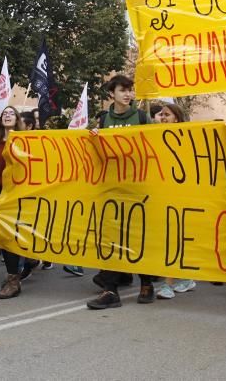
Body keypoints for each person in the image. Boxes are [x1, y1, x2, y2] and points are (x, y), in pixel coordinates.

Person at [85, 74, 155, 309]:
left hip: (137, 187)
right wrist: (95, 141)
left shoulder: (142, 117)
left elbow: (153, 150)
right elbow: (99, 155)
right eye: (123, 90)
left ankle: (146, 283)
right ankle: (110, 289)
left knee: (139, 236)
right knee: (111, 237)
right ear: (111, 93)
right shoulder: (104, 119)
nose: (128, 94)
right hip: (112, 188)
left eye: (130, 90)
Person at [151, 102, 197, 300]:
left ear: (176, 118)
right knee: (170, 239)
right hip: (162, 194)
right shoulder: (156, 137)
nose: (162, 117)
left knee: (172, 239)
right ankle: (186, 278)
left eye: (167, 115)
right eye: (161, 114)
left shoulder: (185, 139)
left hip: (179, 195)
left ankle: (168, 284)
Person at [0, 105, 28, 299]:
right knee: (8, 237)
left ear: (17, 119)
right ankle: (12, 279)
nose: (7, 115)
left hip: (24, 194)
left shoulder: (28, 142)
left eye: (11, 113)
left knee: (23, 235)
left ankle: (29, 263)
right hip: (3, 194)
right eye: (4, 114)